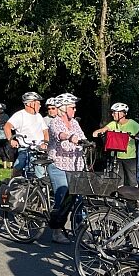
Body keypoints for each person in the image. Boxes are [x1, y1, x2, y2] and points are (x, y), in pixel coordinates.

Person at [47, 93, 86, 244]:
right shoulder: (55, 122)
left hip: (75, 165)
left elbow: (81, 136)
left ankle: (80, 228)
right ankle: (57, 232)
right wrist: (70, 137)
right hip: (58, 165)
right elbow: (60, 134)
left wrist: (87, 143)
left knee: (79, 197)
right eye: (72, 107)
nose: (75, 110)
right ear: (63, 109)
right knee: (62, 196)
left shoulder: (75, 123)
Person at [93, 103, 139, 186]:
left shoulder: (132, 123)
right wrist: (97, 132)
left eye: (114, 112)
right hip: (116, 156)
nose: (112, 115)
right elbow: (104, 129)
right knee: (118, 180)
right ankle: (119, 195)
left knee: (132, 180)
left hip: (129, 157)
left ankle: (134, 196)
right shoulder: (113, 124)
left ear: (122, 113)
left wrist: (137, 137)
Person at [4, 92, 48, 177]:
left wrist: (45, 143)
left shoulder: (38, 116)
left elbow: (45, 131)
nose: (40, 105)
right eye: (38, 103)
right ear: (30, 103)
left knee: (40, 173)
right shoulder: (20, 115)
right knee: (18, 166)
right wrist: (11, 140)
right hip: (25, 149)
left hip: (39, 150)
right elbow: (7, 127)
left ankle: (41, 188)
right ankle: (13, 184)